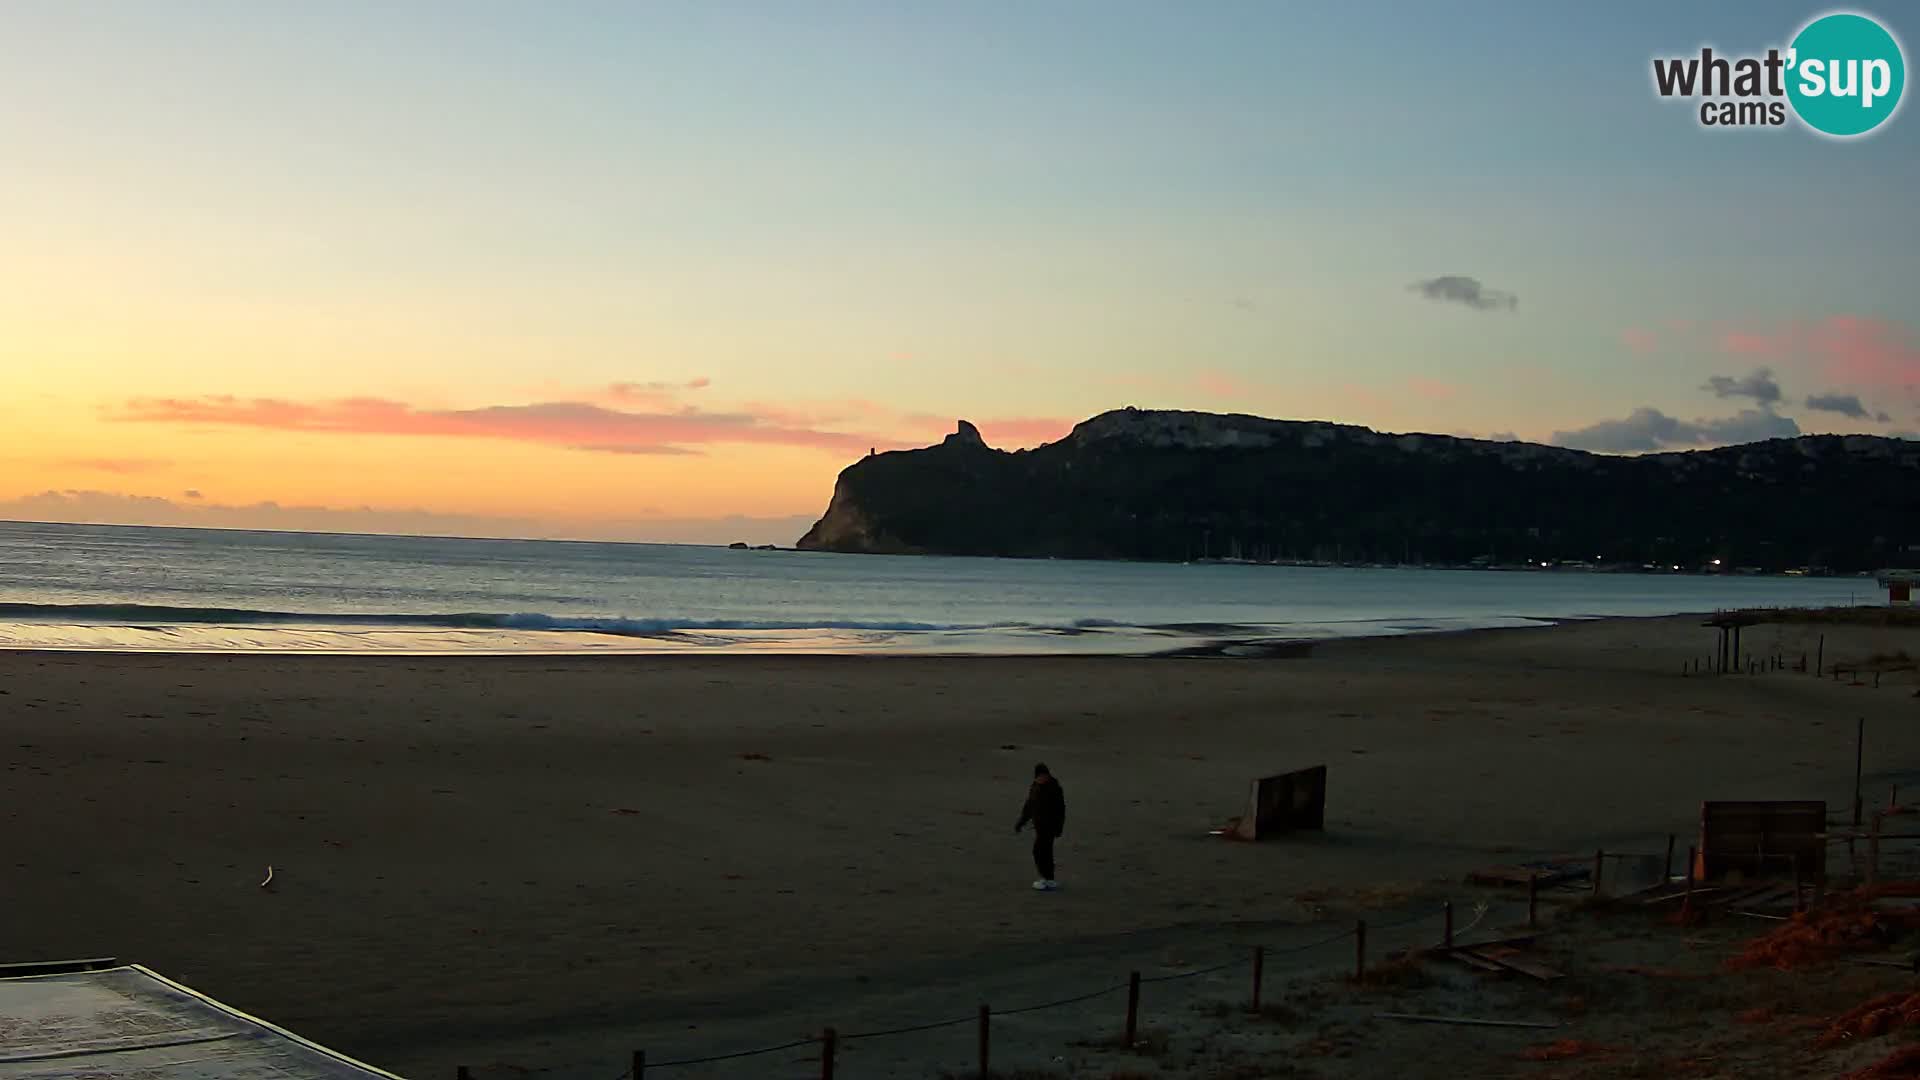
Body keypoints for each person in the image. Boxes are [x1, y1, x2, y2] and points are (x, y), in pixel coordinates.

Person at [1013, 762, 1066, 891]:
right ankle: (1049, 879)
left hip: (1049, 826)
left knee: (1040, 851)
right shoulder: (1035, 787)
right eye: (1040, 776)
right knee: (1044, 851)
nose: (1042, 778)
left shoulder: (1054, 788)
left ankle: (1046, 878)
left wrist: (1059, 828)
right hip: (1039, 826)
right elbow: (1029, 806)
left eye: (1044, 776)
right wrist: (1021, 822)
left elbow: (1060, 810)